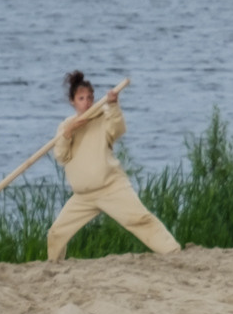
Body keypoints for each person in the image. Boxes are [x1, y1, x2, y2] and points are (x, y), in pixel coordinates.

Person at [45, 72, 181, 262]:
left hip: (111, 187)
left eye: (90, 98)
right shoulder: (66, 126)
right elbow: (61, 156)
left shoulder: (103, 116)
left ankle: (174, 253)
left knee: (140, 219)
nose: (87, 102)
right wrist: (69, 133)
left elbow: (118, 130)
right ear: (72, 102)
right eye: (81, 98)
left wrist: (113, 105)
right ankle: (54, 266)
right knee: (56, 233)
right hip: (83, 196)